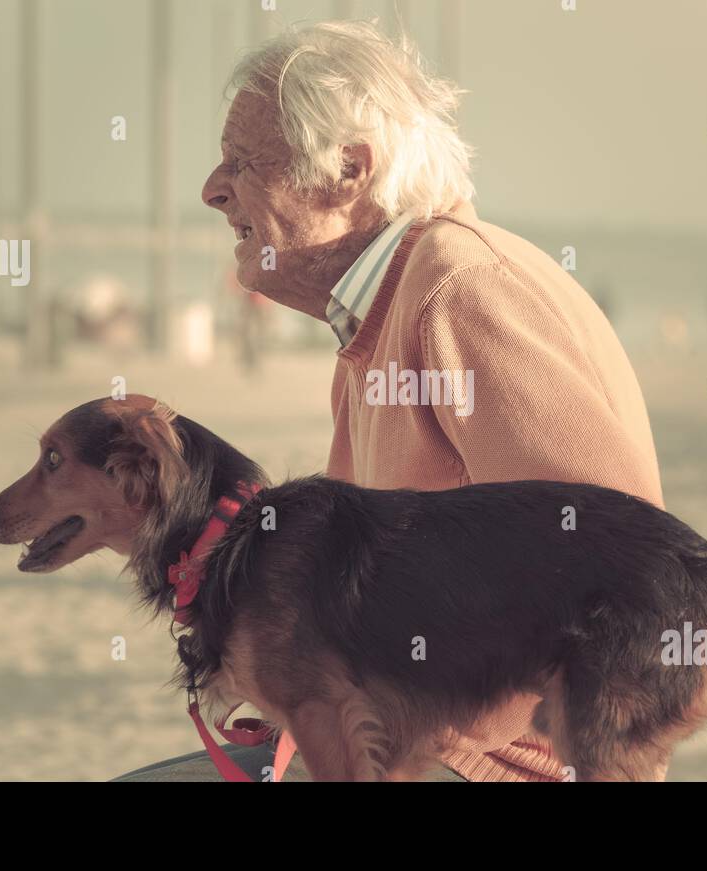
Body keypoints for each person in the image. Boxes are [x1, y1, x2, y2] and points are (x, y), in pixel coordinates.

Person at [116, 20, 663, 783]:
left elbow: (620, 576)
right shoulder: (379, 316)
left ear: (348, 169)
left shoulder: (456, 292)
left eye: (243, 162)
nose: (212, 189)